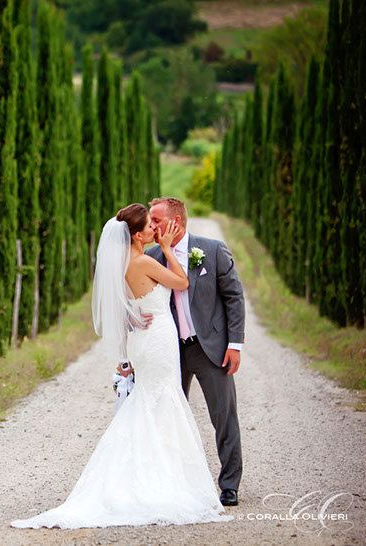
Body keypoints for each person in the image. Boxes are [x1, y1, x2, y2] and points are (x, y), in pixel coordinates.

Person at [11, 204, 232, 529]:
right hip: (156, 340)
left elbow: (121, 303)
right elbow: (182, 282)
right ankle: (156, 479)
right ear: (136, 233)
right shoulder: (143, 260)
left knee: (149, 401)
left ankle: (148, 471)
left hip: (144, 341)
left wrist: (130, 314)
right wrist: (169, 249)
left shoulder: (122, 264)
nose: (154, 231)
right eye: (148, 227)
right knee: (161, 401)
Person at [145, 197, 244, 507]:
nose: (152, 226)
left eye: (157, 221)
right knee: (167, 416)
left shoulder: (212, 250)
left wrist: (235, 344)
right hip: (169, 350)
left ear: (177, 222)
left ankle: (229, 485)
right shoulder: (151, 257)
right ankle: (170, 483)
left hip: (210, 348)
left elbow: (234, 298)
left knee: (224, 417)